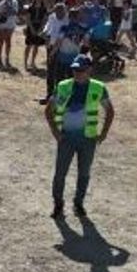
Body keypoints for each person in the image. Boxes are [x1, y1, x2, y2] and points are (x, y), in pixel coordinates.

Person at [45, 55, 115, 219]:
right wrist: (55, 132)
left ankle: (78, 203)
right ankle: (58, 205)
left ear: (89, 69)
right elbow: (48, 110)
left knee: (84, 172)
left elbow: (110, 111)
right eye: (75, 70)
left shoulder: (99, 87)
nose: (77, 73)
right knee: (60, 173)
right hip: (67, 137)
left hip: (87, 138)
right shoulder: (63, 86)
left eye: (81, 70)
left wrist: (103, 133)